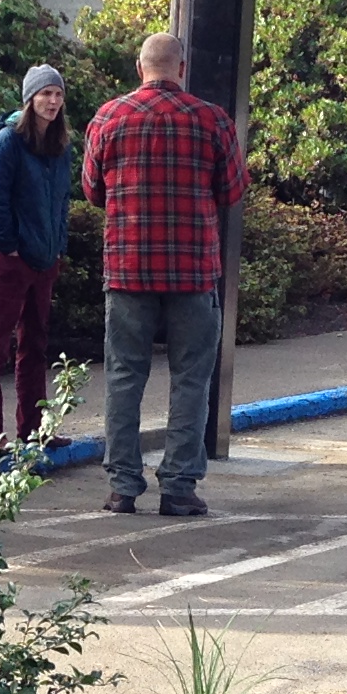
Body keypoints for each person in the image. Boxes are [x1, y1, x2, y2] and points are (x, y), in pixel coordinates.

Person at [80, 29, 246, 517]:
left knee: (124, 376)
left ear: (139, 68)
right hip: (193, 273)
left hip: (128, 270)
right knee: (190, 379)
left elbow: (92, 190)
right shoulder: (212, 120)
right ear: (182, 68)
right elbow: (233, 189)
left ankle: (122, 486)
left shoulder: (108, 118)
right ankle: (178, 486)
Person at [0, 64, 71, 449]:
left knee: (35, 344)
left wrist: (57, 245)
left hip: (45, 259)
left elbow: (62, 200)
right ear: (30, 98)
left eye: (58, 94)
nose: (53, 101)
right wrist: (10, 243)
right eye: (46, 94)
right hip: (10, 258)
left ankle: (34, 429)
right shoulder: (9, 140)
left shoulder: (61, 145)